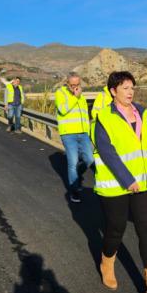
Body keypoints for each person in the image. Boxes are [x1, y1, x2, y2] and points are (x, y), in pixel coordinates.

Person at [92, 71, 147, 293]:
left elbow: (143, 149)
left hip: (144, 185)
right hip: (116, 186)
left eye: (132, 87)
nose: (130, 91)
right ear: (113, 91)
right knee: (115, 228)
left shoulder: (142, 114)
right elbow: (107, 152)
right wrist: (127, 180)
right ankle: (107, 261)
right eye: (125, 87)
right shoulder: (102, 117)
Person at [54, 72, 93, 203]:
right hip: (68, 134)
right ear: (67, 83)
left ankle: (76, 177)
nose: (75, 87)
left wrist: (88, 132)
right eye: (72, 85)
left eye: (77, 85)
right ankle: (74, 190)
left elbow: (84, 115)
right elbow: (63, 109)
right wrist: (75, 97)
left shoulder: (81, 96)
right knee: (73, 163)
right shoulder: (61, 93)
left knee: (89, 159)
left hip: (83, 133)